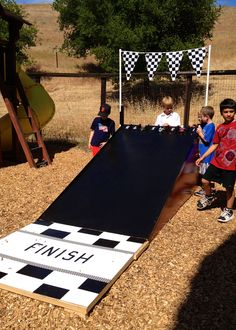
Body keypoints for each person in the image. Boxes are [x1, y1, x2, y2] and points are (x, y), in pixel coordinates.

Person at [195, 98, 236, 223]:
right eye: (225, 112)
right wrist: (202, 157)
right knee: (205, 180)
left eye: (231, 111)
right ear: (221, 113)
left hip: (232, 165)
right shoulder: (219, 128)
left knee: (229, 187)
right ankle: (209, 196)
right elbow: (214, 144)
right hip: (217, 162)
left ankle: (229, 210)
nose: (228, 114)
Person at [194, 106, 215, 197]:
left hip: (207, 155)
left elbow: (206, 140)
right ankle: (206, 189)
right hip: (203, 153)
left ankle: (208, 190)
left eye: (201, 117)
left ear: (207, 117)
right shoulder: (205, 125)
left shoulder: (211, 126)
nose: (200, 119)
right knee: (203, 173)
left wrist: (199, 133)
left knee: (206, 174)